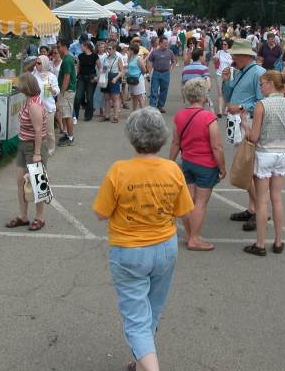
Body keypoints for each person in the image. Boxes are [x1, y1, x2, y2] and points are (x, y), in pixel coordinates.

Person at [93, 108, 194, 371]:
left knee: (136, 318)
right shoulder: (172, 170)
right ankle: (140, 363)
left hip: (129, 250)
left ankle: (149, 367)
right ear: (161, 136)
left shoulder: (119, 171)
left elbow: (101, 213)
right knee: (153, 308)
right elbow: (184, 211)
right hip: (165, 247)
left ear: (132, 136)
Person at [168, 79, 225, 252]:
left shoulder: (179, 116)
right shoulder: (208, 117)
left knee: (189, 201)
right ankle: (194, 238)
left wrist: (170, 162)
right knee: (200, 202)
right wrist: (222, 167)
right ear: (202, 95)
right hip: (205, 165)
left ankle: (189, 233)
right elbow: (216, 146)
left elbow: (176, 143)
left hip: (187, 162)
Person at [244, 70, 285, 256]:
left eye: (262, 83)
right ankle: (279, 240)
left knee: (262, 200)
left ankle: (260, 243)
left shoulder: (262, 105)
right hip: (283, 154)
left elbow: (254, 136)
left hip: (266, 152)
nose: (260, 87)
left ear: (271, 84)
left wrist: (244, 123)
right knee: (277, 197)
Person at [222, 38, 265, 229]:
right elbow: (228, 96)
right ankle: (253, 207)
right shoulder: (240, 71)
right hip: (239, 121)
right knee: (246, 168)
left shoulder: (258, 72)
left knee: (248, 168)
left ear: (245, 56)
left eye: (235, 54)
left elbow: (263, 102)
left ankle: (259, 209)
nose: (232, 57)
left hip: (248, 123)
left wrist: (241, 106)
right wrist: (226, 81)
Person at [6, 73, 48, 232]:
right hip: (23, 145)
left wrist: (37, 153)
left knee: (37, 183)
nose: (18, 87)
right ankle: (23, 216)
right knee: (21, 182)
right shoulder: (29, 101)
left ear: (26, 87)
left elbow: (38, 131)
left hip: (34, 147)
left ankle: (40, 217)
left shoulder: (34, 105)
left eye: (20, 85)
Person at [31, 55, 59, 155]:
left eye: (39, 63)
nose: (37, 65)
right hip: (36, 107)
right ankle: (38, 148)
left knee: (49, 130)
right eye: (36, 63)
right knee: (37, 130)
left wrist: (52, 90)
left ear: (45, 64)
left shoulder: (51, 76)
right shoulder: (34, 74)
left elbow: (57, 91)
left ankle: (51, 148)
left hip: (48, 107)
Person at [56, 38, 77, 145]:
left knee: (68, 115)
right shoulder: (67, 58)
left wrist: (62, 93)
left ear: (64, 46)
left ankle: (70, 137)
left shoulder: (67, 60)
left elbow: (67, 77)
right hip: (68, 90)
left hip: (67, 91)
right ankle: (68, 135)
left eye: (59, 47)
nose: (58, 49)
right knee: (65, 114)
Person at [147, 36, 176, 113]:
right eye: (165, 43)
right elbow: (149, 61)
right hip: (156, 73)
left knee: (164, 90)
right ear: (160, 43)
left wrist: (171, 69)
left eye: (167, 43)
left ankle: (160, 106)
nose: (167, 44)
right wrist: (149, 71)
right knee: (154, 90)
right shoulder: (154, 52)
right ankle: (152, 106)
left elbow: (174, 61)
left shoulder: (170, 52)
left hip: (166, 73)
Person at [74, 41, 98, 122]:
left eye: (82, 46)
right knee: (77, 97)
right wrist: (77, 76)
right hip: (81, 77)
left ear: (86, 46)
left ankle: (88, 115)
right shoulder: (80, 56)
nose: (81, 48)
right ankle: (75, 115)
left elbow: (101, 67)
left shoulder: (94, 56)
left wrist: (97, 77)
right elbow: (78, 67)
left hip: (91, 78)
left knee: (89, 98)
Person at [101, 41, 124, 123]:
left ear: (114, 49)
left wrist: (116, 78)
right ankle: (107, 115)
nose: (108, 50)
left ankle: (115, 116)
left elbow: (122, 71)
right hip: (106, 77)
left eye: (110, 49)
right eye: (107, 48)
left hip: (114, 77)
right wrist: (101, 77)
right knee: (106, 98)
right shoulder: (105, 58)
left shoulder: (118, 58)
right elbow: (103, 69)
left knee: (115, 98)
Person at [214, 38, 233, 117]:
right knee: (220, 93)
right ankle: (220, 111)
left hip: (229, 75)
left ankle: (226, 109)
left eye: (225, 44)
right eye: (222, 44)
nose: (223, 46)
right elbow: (214, 62)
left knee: (227, 93)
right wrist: (215, 59)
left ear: (229, 45)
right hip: (219, 74)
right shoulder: (219, 52)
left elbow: (234, 65)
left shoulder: (232, 54)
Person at [126, 42, 148, 110]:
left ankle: (144, 113)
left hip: (138, 80)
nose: (128, 50)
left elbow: (144, 70)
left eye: (129, 49)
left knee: (139, 97)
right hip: (131, 79)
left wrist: (137, 74)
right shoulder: (130, 58)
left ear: (132, 50)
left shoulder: (139, 59)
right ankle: (134, 111)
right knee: (134, 97)